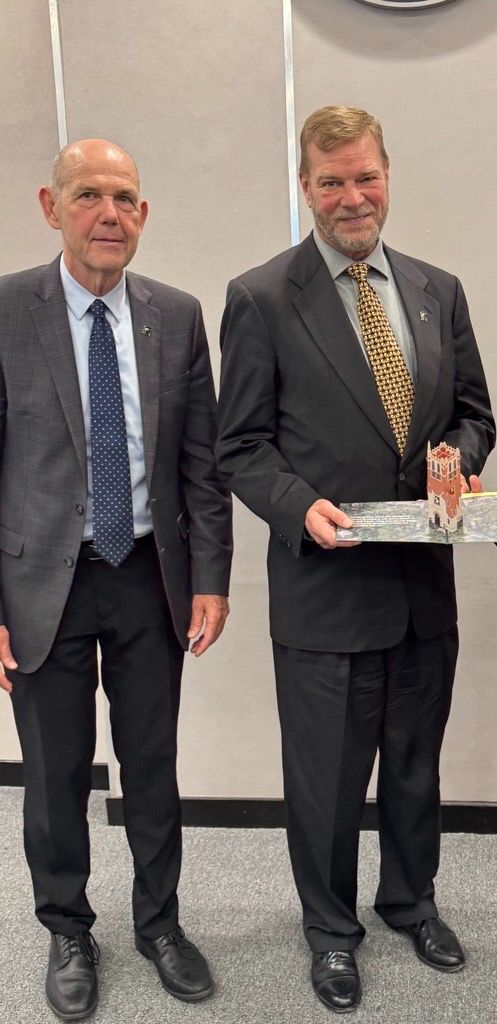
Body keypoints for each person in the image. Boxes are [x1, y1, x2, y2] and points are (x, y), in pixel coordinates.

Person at [216, 105, 494, 1012]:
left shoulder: (435, 288)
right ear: (305, 187)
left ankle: (410, 901)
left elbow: (475, 413)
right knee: (328, 782)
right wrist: (302, 508)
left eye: (364, 176)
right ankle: (331, 931)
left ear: (388, 174)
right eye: (330, 180)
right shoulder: (261, 297)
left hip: (422, 587)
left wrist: (459, 461)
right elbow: (242, 445)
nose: (351, 196)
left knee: (416, 763)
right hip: (325, 590)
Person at [0, 139, 232, 1021]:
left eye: (126, 197)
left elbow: (203, 465)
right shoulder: (8, 310)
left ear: (144, 214)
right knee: (56, 772)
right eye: (89, 195)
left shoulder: (175, 315)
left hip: (146, 575)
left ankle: (160, 923)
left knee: (153, 763)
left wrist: (210, 575)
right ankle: (66, 927)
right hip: (39, 584)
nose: (109, 214)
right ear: (50, 207)